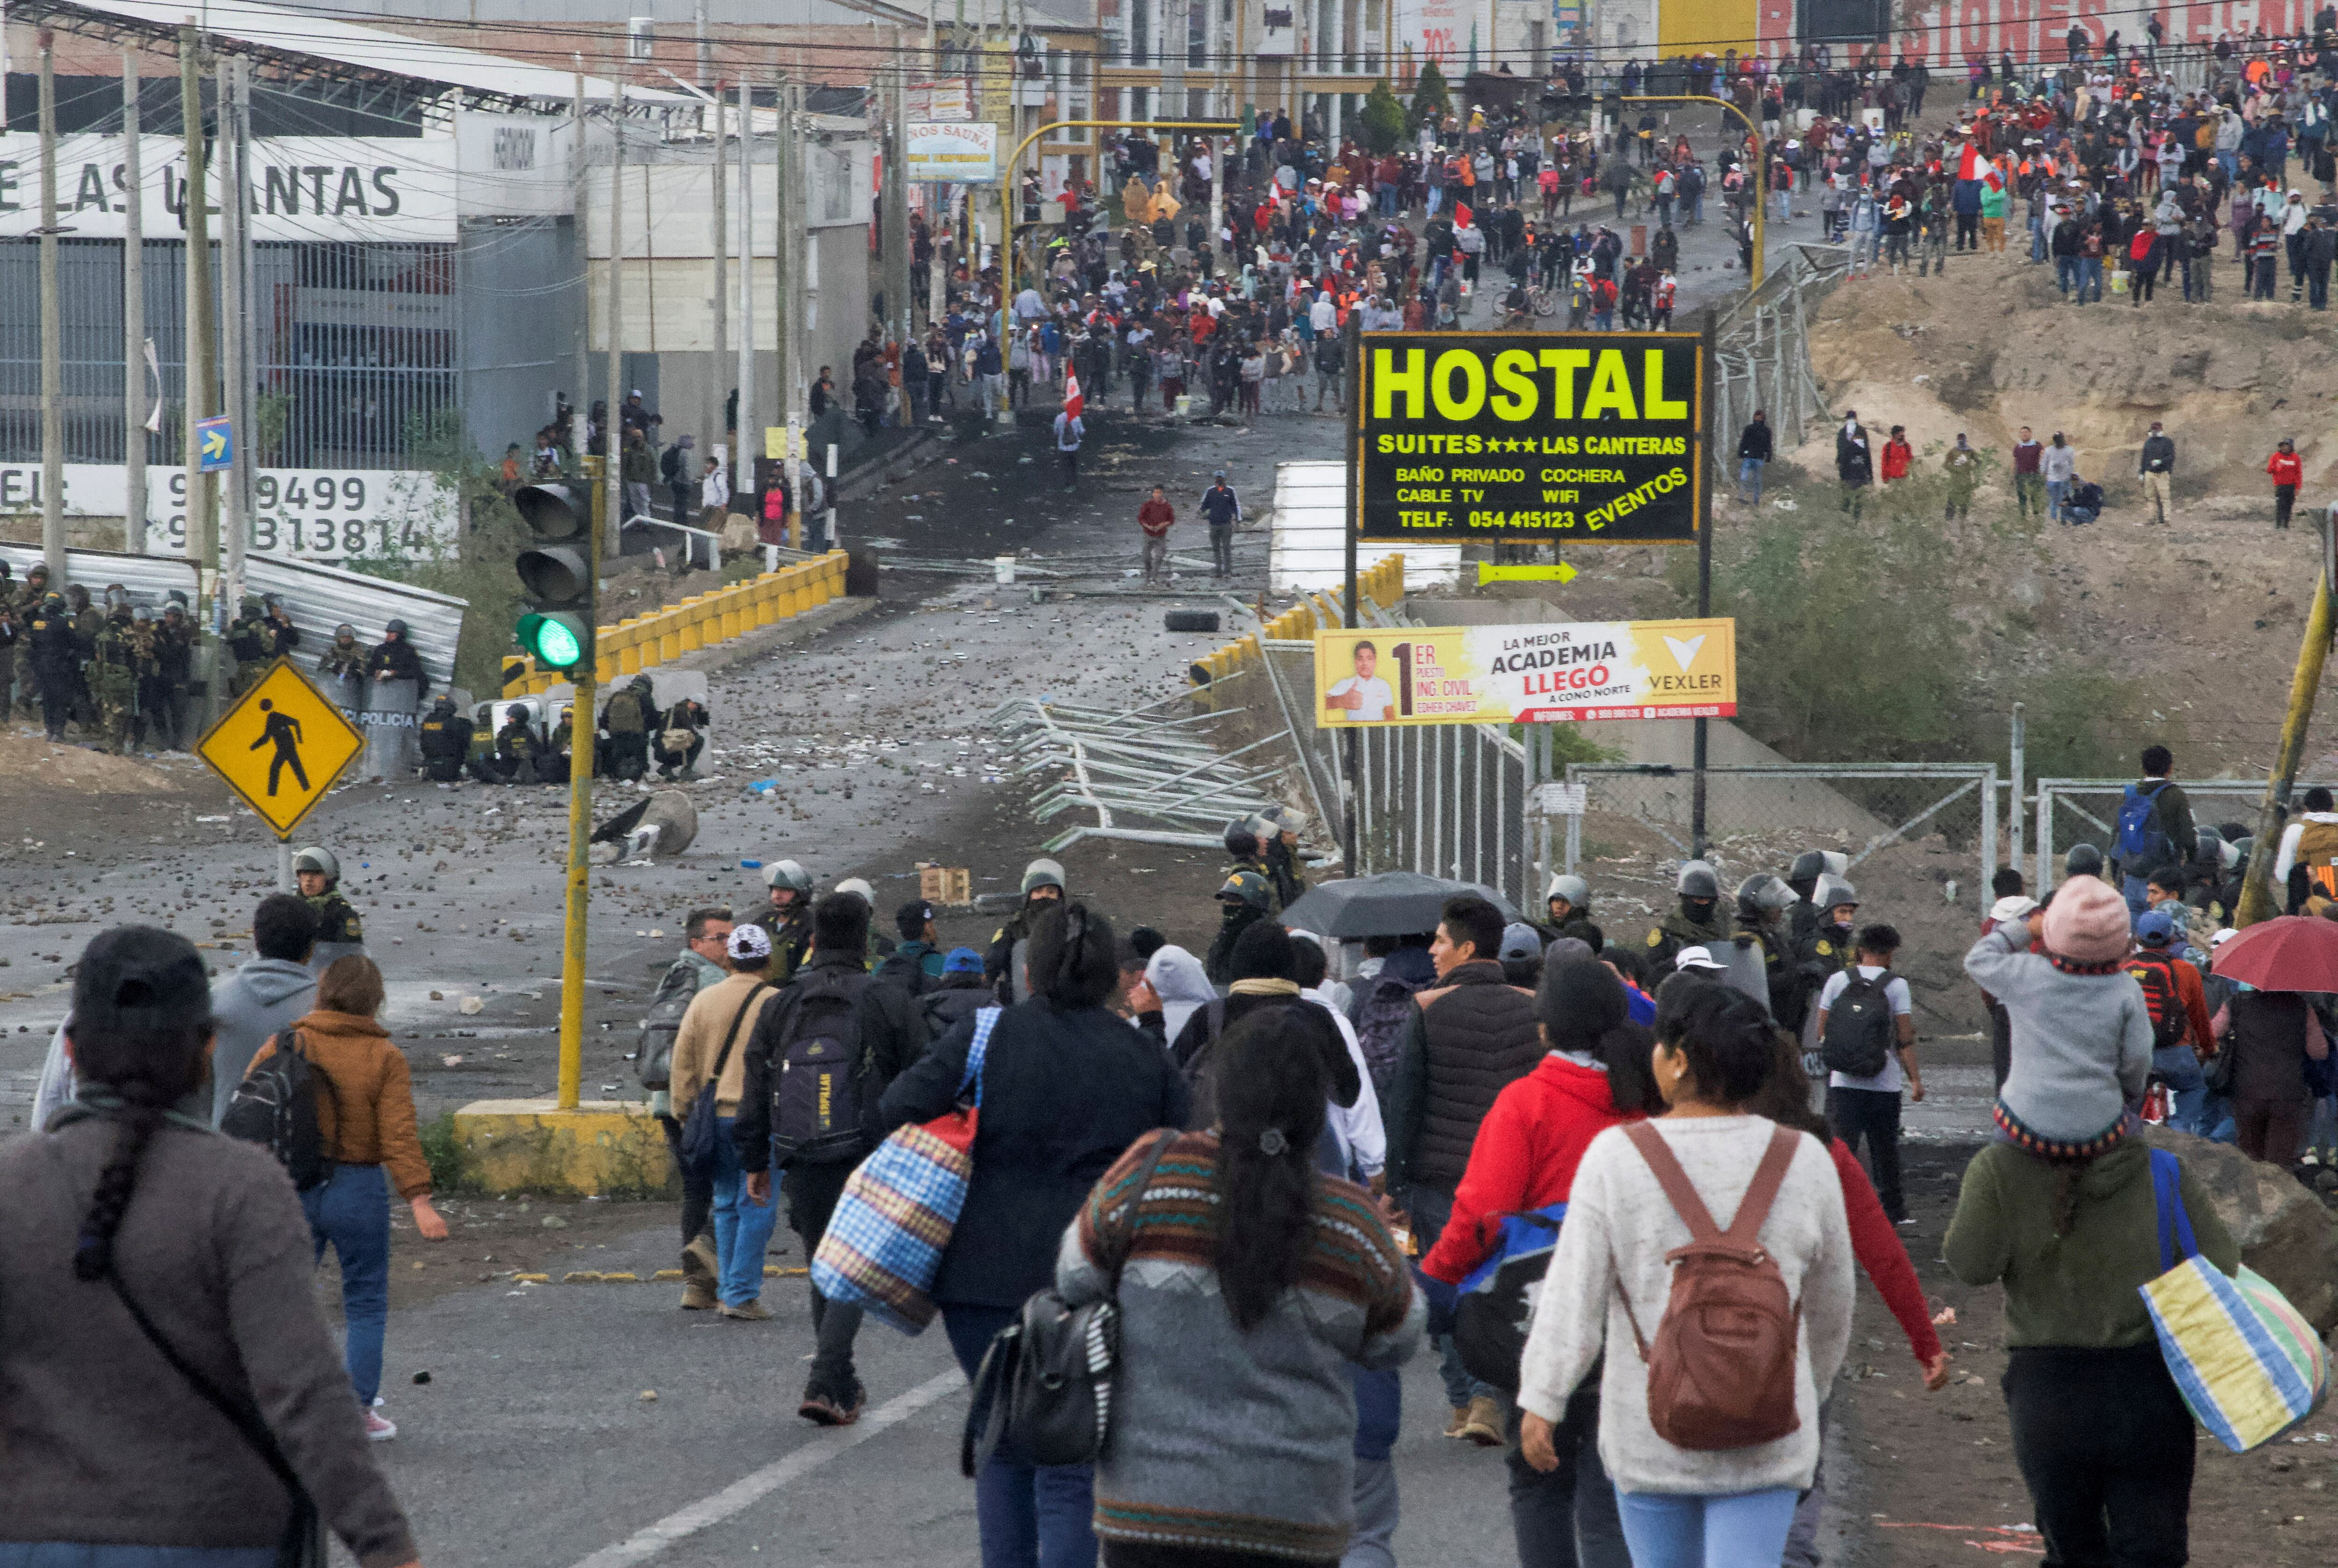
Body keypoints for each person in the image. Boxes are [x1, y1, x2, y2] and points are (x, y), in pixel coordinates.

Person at [0, 926, 422, 1565]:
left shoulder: (12, 1187)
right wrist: (386, 1545)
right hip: (216, 1537)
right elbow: (303, 1390)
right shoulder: (243, 1189)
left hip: (30, 1537)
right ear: (206, 1049)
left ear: (72, 1051)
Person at [881, 902, 1189, 1568]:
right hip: (1097, 1275)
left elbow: (897, 1106)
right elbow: (1185, 1151)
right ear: (1111, 972)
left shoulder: (987, 1035)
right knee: (1071, 1456)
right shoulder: (1141, 1053)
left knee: (1002, 1438)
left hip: (981, 1273)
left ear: (1032, 968)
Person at [1061, 1009, 1422, 1568]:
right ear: (1315, 1107)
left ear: (1218, 1091)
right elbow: (1395, 1339)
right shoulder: (1350, 1219)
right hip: (1295, 1515)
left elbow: (1074, 1277)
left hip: (1150, 1507)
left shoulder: (1148, 1173)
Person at [1515, 982, 1853, 1568]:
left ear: (1675, 1060)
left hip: (1650, 1431)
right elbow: (1832, 1304)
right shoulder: (1804, 1159)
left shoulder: (1614, 1158)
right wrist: (1805, 1387)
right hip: (1768, 1432)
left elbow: (1574, 1294)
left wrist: (1543, 1397)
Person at [1417, 955, 1660, 1568]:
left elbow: (1482, 1216)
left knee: (1538, 1481)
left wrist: (1435, 1281)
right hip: (1630, 1324)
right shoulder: (1644, 1100)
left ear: (1546, 1026)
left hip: (1535, 1322)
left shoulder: (1525, 1102)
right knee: (1609, 1492)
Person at [1945, 1106, 2238, 1567]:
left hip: (2047, 1395)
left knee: (2072, 1550)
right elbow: (2221, 1263)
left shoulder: (1998, 1168)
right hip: (2148, 1391)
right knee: (2151, 1550)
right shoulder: (2161, 1171)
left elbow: (1970, 1263)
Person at [736, 891, 925, 1422]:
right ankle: (826, 1375)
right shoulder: (886, 999)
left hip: (802, 1153)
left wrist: (756, 1157)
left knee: (825, 1265)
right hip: (870, 1151)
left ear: (813, 939)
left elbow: (756, 1084)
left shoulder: (781, 1003)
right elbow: (924, 1075)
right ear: (865, 941)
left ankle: (839, 1386)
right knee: (857, 1267)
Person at [245, 956, 449, 1440]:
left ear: (322, 992)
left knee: (288, 1297)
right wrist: (419, 1199)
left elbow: (250, 1110)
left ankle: (279, 1405)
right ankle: (357, 1412)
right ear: (375, 1001)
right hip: (358, 1187)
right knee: (364, 1301)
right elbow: (398, 1135)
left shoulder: (286, 1041)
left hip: (292, 1184)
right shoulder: (385, 1058)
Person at [1383, 894, 1540, 1447]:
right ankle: (1503, 1395)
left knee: (1445, 1283)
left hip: (1441, 1179)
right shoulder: (1532, 1006)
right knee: (1506, 1285)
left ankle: (1468, 1397)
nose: (1432, 950)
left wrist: (1395, 1182)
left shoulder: (1427, 1008)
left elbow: (1406, 1101)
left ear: (1466, 948)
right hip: (1516, 1179)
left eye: (1441, 940)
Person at [1965, 876, 2150, 1159]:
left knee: (1995, 1165)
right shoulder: (2127, 989)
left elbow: (1977, 960)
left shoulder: (2027, 975)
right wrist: (2124, 1094)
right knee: (2137, 1156)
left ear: (2053, 928)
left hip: (2023, 1124)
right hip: (2100, 1129)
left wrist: (2026, 929)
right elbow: (2138, 1060)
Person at [668, 923, 787, 1322]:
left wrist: (685, 1113)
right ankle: (740, 1293)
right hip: (761, 1119)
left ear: (731, 959)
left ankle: (725, 1287)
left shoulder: (704, 999)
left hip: (713, 1117)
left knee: (725, 1204)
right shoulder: (778, 1002)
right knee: (757, 1206)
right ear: (768, 960)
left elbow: (682, 1062)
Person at [643, 908, 733, 1309]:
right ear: (697, 943)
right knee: (729, 1185)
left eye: (731, 936)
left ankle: (695, 1285)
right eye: (720, 938)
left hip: (666, 1098)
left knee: (695, 1188)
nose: (729, 944)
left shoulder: (673, 976)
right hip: (700, 1101)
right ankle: (709, 1266)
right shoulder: (713, 981)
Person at [1817, 923, 1924, 1226]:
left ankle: (1835, 1211)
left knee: (1842, 1149)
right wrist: (1915, 1079)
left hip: (1843, 1081)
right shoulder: (1897, 985)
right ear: (1891, 952)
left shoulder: (1838, 980)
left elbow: (1821, 1030)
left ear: (1860, 949)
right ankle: (1894, 1211)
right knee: (1885, 1149)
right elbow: (1904, 1039)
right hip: (1884, 1082)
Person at [208, 893, 320, 1126]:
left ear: (256, 938)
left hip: (226, 1143)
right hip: (302, 1146)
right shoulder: (324, 1007)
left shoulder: (217, 999)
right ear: (311, 947)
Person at [2124, 909, 2215, 1135]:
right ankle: (2179, 1135)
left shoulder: (2124, 970)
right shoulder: (2187, 971)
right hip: (2176, 1052)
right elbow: (2200, 1019)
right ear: (2172, 939)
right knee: (2194, 1089)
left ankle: (2131, 1136)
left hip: (2136, 1054)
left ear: (2138, 938)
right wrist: (2208, 1048)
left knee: (2127, 1105)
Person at [2222, 981, 2329, 1167]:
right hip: (2288, 1094)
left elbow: (2212, 1032)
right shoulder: (2302, 1007)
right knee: (2279, 1163)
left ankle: (2252, 1194)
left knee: (2251, 1159)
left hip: (2246, 1091)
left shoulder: (2236, 1003)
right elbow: (2319, 1051)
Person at [2114, 745, 2196, 916]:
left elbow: (2118, 835)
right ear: (2170, 768)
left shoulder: (2131, 794)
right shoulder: (2175, 795)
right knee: (2163, 932)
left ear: (2143, 768)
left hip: (2132, 876)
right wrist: (2190, 866)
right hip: (2164, 880)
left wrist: (2117, 873)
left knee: (2136, 935)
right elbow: (2188, 837)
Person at [986, 857, 1067, 1003]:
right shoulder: (1013, 930)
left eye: (1051, 892)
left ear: (1059, 897)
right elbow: (991, 966)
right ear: (1029, 896)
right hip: (1022, 1003)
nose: (1044, 896)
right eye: (1038, 891)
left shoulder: (1072, 927)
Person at [1643, 859, 1731, 986]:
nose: (1704, 905)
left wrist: (1742, 951)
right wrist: (1679, 961)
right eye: (1699, 900)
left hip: (1716, 993)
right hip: (1679, 996)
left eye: (1708, 900)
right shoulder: (1667, 932)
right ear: (1685, 898)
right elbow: (1651, 976)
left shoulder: (1720, 927)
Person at [296, 846, 367, 971]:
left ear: (329, 878)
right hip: (297, 975)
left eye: (316, 874)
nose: (309, 879)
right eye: (304, 873)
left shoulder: (342, 912)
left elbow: (353, 952)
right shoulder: (290, 909)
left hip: (330, 976)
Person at [1324, 640, 1396, 722]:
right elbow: (1320, 704)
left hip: (1378, 732)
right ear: (1355, 661)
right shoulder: (1346, 684)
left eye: (1369, 659)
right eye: (1360, 659)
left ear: (1375, 661)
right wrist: (1339, 701)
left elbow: (1390, 716)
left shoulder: (1384, 685)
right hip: (1354, 732)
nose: (1365, 663)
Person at [365, 619, 427, 700]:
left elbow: (416, 673)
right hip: (380, 695)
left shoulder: (409, 652)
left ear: (400, 635)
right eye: (388, 633)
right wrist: (376, 672)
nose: (388, 636)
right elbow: (369, 669)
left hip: (400, 696)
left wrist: (396, 674)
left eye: (392, 633)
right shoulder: (381, 650)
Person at [1200, 470, 1242, 579]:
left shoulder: (1230, 491)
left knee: (1227, 549)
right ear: (1215, 479)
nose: (1219, 480)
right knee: (1216, 549)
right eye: (1218, 478)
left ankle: (1228, 571)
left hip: (1226, 525)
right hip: (1213, 525)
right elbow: (1203, 506)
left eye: (1221, 478)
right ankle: (1218, 571)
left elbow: (1236, 506)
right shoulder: (1210, 491)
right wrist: (1206, 514)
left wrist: (1237, 520)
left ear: (1225, 479)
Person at [1834, 411, 1873, 518]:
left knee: (1856, 498)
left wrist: (1870, 474)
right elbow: (1840, 451)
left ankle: (1854, 519)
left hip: (1857, 470)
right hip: (1850, 470)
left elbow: (1866, 452)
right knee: (1849, 497)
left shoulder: (1858, 432)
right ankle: (1847, 519)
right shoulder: (1844, 433)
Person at [2136, 421, 2176, 526]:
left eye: (2156, 429)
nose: (2154, 431)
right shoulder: (2148, 443)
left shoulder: (2167, 442)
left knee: (2165, 498)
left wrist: (2161, 462)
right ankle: (2151, 519)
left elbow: (2171, 456)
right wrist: (2142, 473)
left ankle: (2167, 519)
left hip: (2162, 474)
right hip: (2149, 473)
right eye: (2153, 429)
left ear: (2161, 430)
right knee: (2150, 498)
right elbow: (2144, 459)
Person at [1138, 484, 1176, 586]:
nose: (1157, 495)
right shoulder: (1148, 505)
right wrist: (1148, 526)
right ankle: (1149, 573)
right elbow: (1141, 519)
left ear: (1163, 494)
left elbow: (1171, 520)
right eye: (1155, 493)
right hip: (1148, 534)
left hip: (1161, 535)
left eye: (1159, 493)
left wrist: (1164, 525)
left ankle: (1154, 577)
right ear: (1153, 494)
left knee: (1160, 556)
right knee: (1146, 557)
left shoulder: (1167, 507)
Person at [2266, 437, 2303, 529]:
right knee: (2280, 505)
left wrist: (2298, 487)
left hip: (2291, 486)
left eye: (2286, 446)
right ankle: (2278, 525)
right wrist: (2276, 467)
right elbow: (2269, 470)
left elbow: (2298, 473)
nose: (2284, 448)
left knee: (2289, 505)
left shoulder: (2296, 458)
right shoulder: (2276, 456)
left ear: (2290, 447)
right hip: (2280, 486)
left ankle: (2286, 525)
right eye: (2282, 446)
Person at [1736, 410, 1772, 506]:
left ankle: (1756, 501)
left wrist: (1769, 455)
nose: (1758, 420)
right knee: (1744, 478)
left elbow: (1768, 444)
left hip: (1759, 458)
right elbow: (1744, 441)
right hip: (1748, 457)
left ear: (1763, 419)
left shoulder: (1766, 431)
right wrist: (1741, 452)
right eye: (1757, 418)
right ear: (1754, 418)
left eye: (1760, 418)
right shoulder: (1749, 429)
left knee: (1757, 481)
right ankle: (1742, 497)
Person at [2041, 432, 2077, 523]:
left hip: (2064, 479)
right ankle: (2054, 518)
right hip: (2052, 479)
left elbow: (2071, 464)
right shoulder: (2048, 451)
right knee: (2054, 499)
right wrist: (2042, 474)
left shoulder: (2069, 450)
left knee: (2063, 499)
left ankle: (2063, 518)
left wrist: (2071, 474)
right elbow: (2044, 463)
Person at [2010, 426, 2044, 519]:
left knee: (2034, 495)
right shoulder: (2018, 447)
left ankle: (2036, 514)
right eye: (2022, 433)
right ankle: (2023, 515)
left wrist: (2042, 471)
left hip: (2033, 474)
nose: (2024, 434)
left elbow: (2043, 457)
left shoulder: (2037, 445)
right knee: (2022, 495)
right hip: (2020, 475)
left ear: (2030, 433)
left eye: (2026, 432)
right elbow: (2014, 461)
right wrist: (2012, 474)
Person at [1053, 403, 1085, 488]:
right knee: (1073, 466)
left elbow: (1055, 432)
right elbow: (1082, 432)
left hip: (1062, 447)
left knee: (1065, 466)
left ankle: (1066, 484)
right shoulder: (1077, 418)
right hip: (1074, 447)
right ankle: (1074, 483)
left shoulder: (1058, 418)